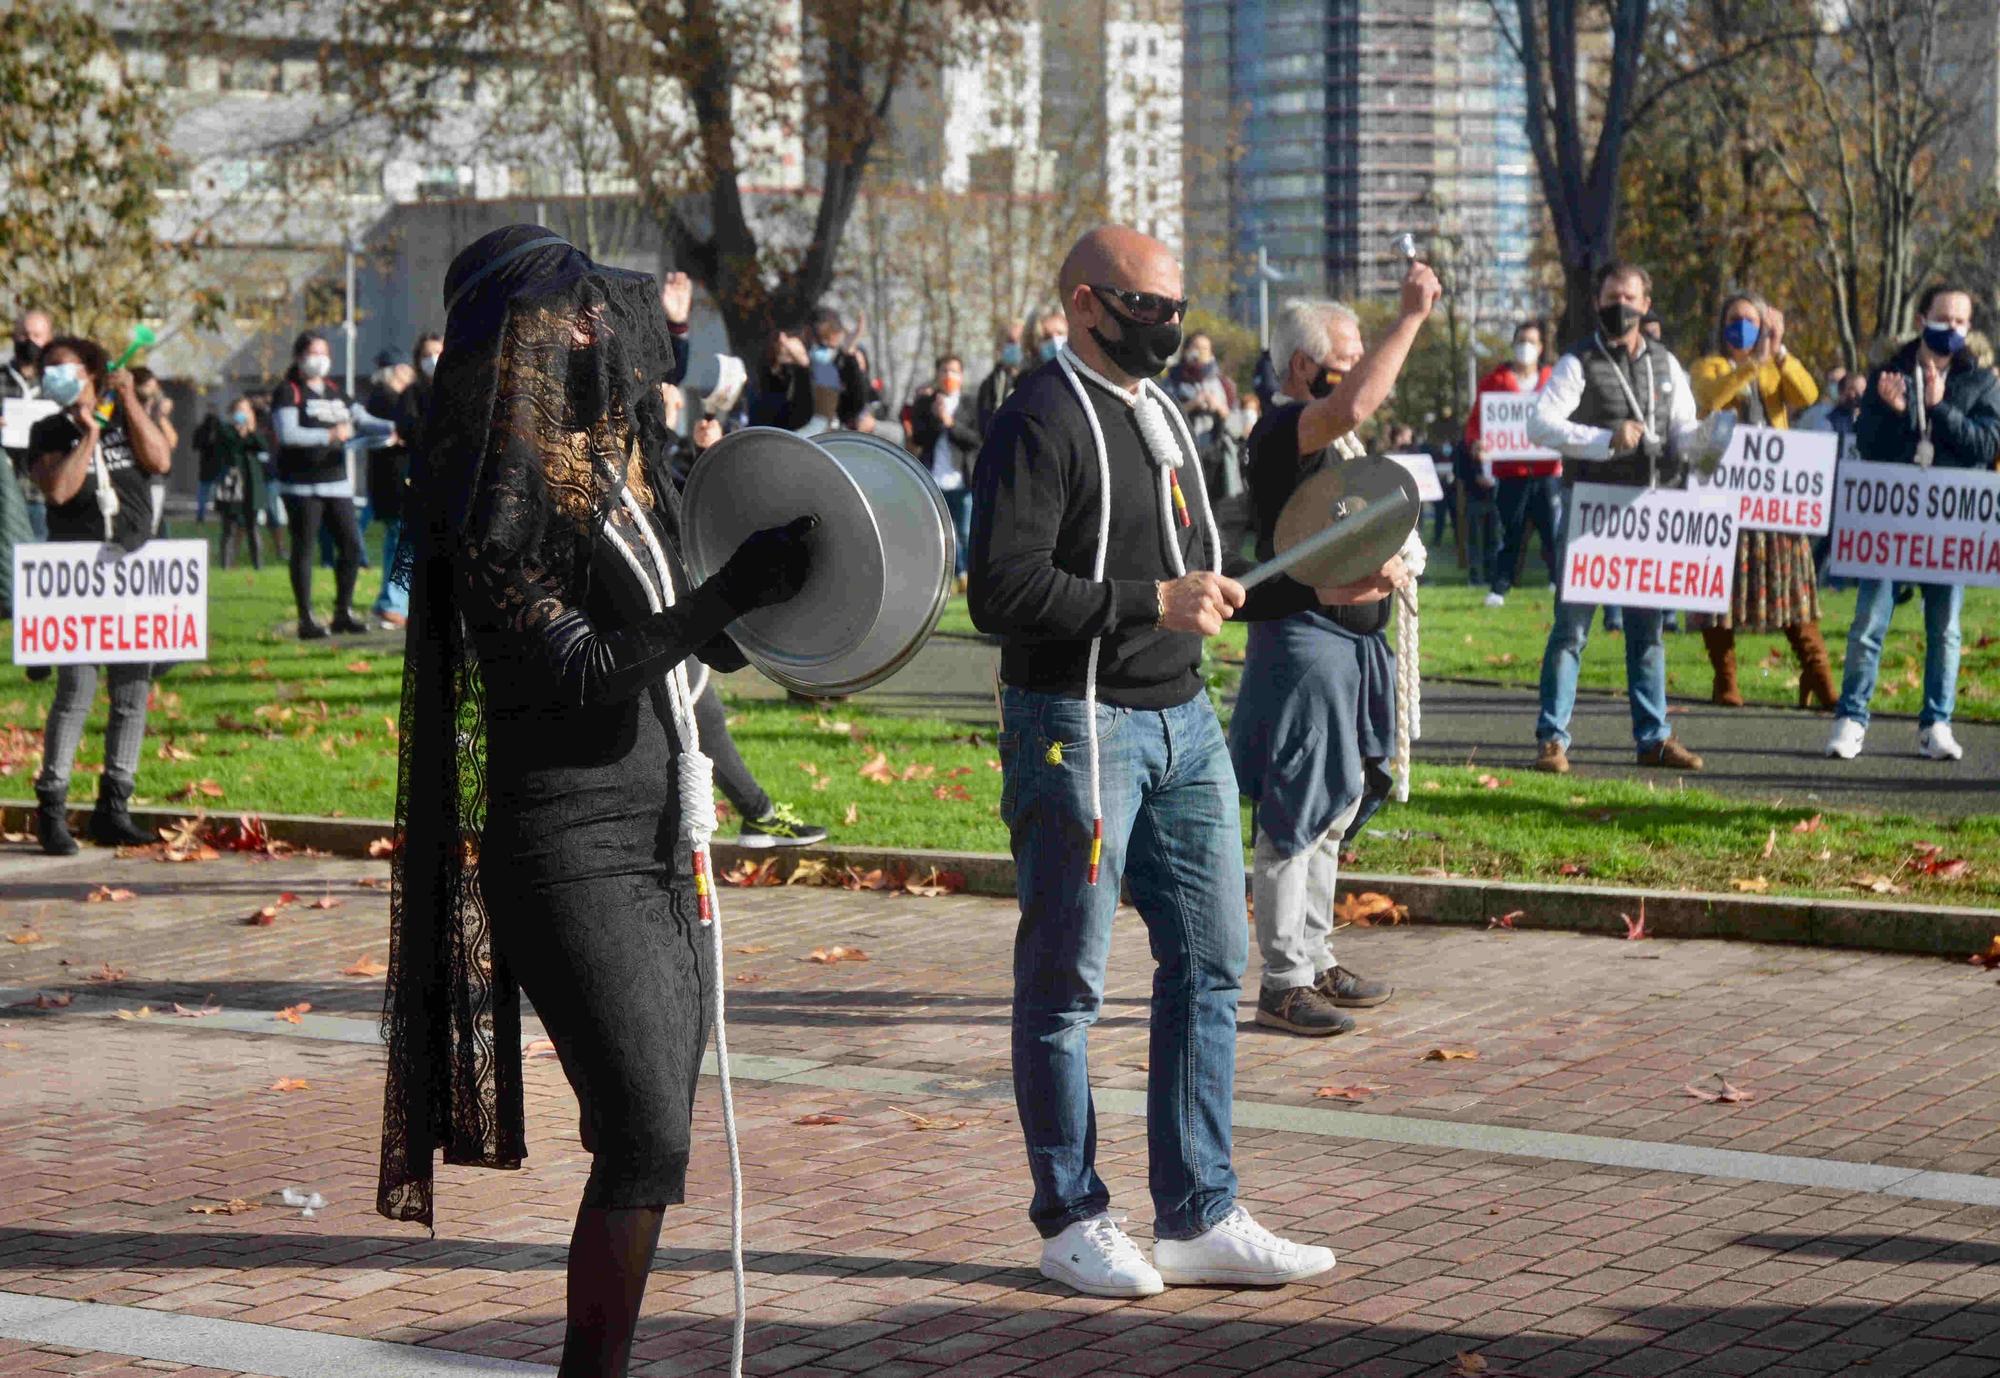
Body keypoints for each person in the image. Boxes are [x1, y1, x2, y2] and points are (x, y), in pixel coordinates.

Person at [377, 226, 817, 1378]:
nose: (602, 327)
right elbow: (573, 669)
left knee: (650, 1141)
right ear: (523, 337)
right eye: (576, 311)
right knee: (644, 1128)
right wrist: (726, 590)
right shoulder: (492, 486)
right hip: (566, 842)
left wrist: (773, 604)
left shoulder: (618, 447)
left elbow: (678, 632)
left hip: (662, 826)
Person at [969, 224, 1337, 1300]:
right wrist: (1147, 604)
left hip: (1182, 718)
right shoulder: (1036, 416)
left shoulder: (1160, 409)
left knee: (1214, 960)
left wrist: (1315, 577)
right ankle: (1071, 1215)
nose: (1168, 326)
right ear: (1085, 304)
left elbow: (1196, 562)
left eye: (1175, 306)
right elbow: (1000, 590)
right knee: (1065, 982)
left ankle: (1199, 1212)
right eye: (1146, 306)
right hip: (1075, 725)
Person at [1230, 280, 1438, 1040]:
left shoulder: (1330, 446)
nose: (1356, 377)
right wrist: (1412, 315)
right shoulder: (1284, 431)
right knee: (1296, 809)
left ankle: (1313, 957)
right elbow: (1353, 407)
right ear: (1297, 370)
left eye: (1359, 361)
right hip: (1306, 646)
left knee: (1337, 803)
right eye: (1341, 362)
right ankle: (1283, 980)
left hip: (1349, 644)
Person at [1528, 262, 1703, 775]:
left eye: (1628, 296)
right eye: (1609, 296)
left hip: (1649, 511)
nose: (1618, 305)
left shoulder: (1668, 364)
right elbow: (1541, 424)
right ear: (1597, 302)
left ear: (1646, 304)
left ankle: (1653, 738)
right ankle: (1551, 739)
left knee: (1648, 632)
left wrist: (1707, 442)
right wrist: (1603, 441)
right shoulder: (1577, 361)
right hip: (1591, 509)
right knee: (1571, 630)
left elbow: (1684, 427)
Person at [1826, 284, 2000, 762]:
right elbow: (1867, 443)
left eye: (1962, 320)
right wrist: (1889, 411)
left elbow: (1985, 447)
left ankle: (1936, 724)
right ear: (1922, 320)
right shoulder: (1889, 372)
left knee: (1945, 628)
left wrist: (1940, 407)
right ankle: (1852, 719)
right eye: (1944, 318)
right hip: (1891, 522)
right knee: (1868, 621)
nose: (1953, 328)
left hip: (1949, 528)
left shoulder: (1981, 382)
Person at [25, 336, 173, 854]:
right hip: (79, 578)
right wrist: (86, 438)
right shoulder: (46, 429)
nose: (53, 376)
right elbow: (59, 490)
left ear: (92, 372)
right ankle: (52, 806)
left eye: (63, 367)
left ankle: (115, 805)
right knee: (75, 694)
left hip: (132, 573)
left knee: (132, 694)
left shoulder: (123, 414)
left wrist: (127, 401)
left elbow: (158, 460)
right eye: (47, 370)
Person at [1687, 294, 1835, 709]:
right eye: (1735, 320)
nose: (1743, 328)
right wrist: (1752, 362)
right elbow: (1711, 398)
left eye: (1753, 322)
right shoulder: (1707, 366)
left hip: (1774, 496)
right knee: (1717, 590)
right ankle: (1726, 678)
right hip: (1723, 495)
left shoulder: (1776, 365)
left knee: (1793, 589)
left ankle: (1818, 673)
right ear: (1722, 325)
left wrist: (1779, 349)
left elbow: (1806, 395)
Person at [271, 330, 394, 638]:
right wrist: (328, 435)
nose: (321, 360)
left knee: (352, 547)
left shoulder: (336, 392)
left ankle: (343, 613)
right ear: (300, 358)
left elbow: (363, 420)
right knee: (305, 549)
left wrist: (399, 426)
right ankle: (306, 620)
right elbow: (287, 434)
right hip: (301, 487)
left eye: (325, 353)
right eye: (314, 353)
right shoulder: (288, 391)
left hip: (337, 483)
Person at [1466, 320, 1558, 607]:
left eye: (1531, 341)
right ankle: (1499, 588)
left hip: (1547, 471)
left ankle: (1559, 583)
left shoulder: (1555, 381)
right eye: (1521, 340)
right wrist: (1476, 444)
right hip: (1511, 472)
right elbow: (1475, 425)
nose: (1525, 347)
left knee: (1553, 533)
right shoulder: (1493, 382)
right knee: (1510, 533)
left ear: (1541, 347)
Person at [909, 354, 981, 585]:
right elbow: (919, 438)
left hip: (962, 480)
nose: (949, 376)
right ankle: (958, 575)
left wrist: (950, 423)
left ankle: (971, 576)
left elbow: (976, 439)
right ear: (937, 374)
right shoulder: (925, 404)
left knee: (965, 532)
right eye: (944, 371)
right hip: (934, 479)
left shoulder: (970, 404)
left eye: (954, 371)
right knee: (943, 534)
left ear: (961, 376)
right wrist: (936, 418)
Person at [363, 354, 416, 626]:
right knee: (400, 544)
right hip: (395, 483)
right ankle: (392, 603)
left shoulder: (378, 397)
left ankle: (390, 599)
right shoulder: (389, 399)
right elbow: (408, 430)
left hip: (387, 483)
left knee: (396, 543)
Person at [1164, 332, 1240, 499]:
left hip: (1216, 457)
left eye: (1205, 348)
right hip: (1183, 456)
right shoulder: (1172, 381)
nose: (1200, 353)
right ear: (1185, 351)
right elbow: (1163, 416)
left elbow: (1238, 426)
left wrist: (1220, 408)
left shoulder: (1224, 384)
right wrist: (1192, 405)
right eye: (1196, 348)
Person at [8, 310, 54, 543]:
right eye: (24, 334)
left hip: (43, 494)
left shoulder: (56, 383)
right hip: (6, 492)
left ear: (48, 340)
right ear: (14, 337)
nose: (30, 341)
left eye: (37, 335)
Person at [213, 396, 267, 570]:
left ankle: (258, 564)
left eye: (246, 410)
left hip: (252, 480)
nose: (243, 414)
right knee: (229, 526)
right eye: (239, 410)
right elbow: (231, 445)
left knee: (253, 525)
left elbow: (263, 446)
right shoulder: (225, 429)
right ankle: (226, 564)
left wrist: (251, 429)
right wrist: (240, 430)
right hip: (232, 479)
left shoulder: (255, 431)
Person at [128, 368, 177, 536]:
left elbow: (171, 442)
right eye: (151, 387)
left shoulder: (156, 415)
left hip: (154, 479)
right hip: (130, 478)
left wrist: (161, 417)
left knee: (152, 527)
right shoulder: (127, 412)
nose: (157, 393)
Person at [976, 321, 1026, 439]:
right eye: (1010, 341)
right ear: (999, 346)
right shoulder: (989, 385)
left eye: (1020, 340)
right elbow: (982, 427)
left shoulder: (1037, 379)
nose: (1016, 345)